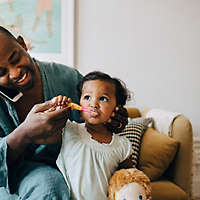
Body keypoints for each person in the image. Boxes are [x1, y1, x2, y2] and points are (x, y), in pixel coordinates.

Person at [0, 26, 128, 199]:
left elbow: (96, 116)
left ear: (22, 44)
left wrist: (112, 119)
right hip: (17, 179)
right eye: (1, 73)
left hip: (76, 169)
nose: (15, 73)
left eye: (16, 59)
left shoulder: (68, 78)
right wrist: (24, 133)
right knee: (48, 186)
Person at [53, 71, 133, 200]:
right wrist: (58, 107)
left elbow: (131, 180)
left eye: (103, 98)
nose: (93, 104)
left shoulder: (122, 145)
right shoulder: (69, 129)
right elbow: (48, 126)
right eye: (87, 97)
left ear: (116, 108)